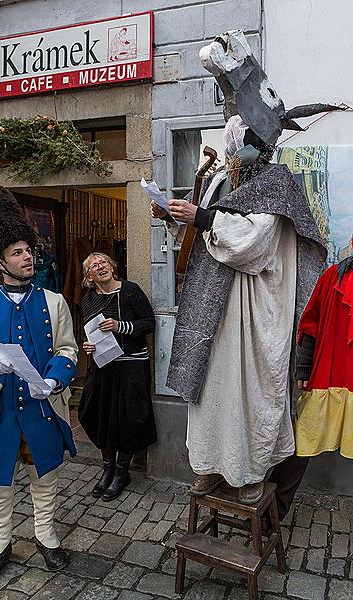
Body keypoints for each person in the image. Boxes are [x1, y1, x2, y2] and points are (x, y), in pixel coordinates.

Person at [152, 31, 330, 507]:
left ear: (257, 142)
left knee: (250, 398)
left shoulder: (277, 183)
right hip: (218, 314)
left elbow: (252, 244)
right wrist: (179, 216)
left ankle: (249, 472)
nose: (232, 150)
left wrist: (205, 218)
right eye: (231, 141)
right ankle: (212, 466)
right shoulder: (226, 183)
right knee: (212, 395)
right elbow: (204, 233)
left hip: (254, 317)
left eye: (239, 142)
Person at [0, 185, 78, 588]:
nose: (28, 258)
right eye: (18, 253)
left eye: (28, 251)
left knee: (45, 480)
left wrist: (57, 377)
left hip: (42, 408)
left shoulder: (55, 302)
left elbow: (67, 349)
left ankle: (46, 536)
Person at [78, 252, 157, 501]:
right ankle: (107, 468)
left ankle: (122, 472)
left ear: (112, 266)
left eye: (103, 262)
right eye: (93, 265)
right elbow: (90, 333)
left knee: (128, 418)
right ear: (89, 277)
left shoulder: (130, 291)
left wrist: (120, 326)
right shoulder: (88, 299)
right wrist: (87, 346)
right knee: (98, 414)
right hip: (103, 367)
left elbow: (149, 323)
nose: (100, 266)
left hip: (131, 366)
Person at [294, 253, 353, 458]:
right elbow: (311, 326)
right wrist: (304, 367)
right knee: (307, 435)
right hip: (326, 376)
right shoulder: (332, 276)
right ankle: (281, 490)